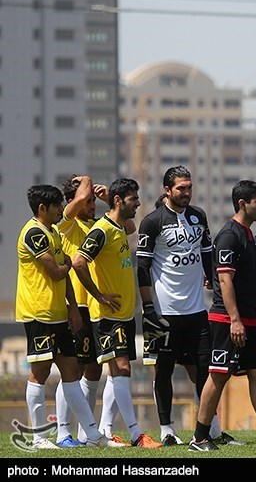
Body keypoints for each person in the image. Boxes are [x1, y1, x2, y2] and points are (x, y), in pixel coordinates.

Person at [136, 166, 242, 446]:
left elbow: (208, 254)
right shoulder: (152, 222)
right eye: (181, 188)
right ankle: (167, 430)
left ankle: (211, 429)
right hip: (165, 312)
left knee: (207, 371)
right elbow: (142, 268)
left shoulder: (199, 216)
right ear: (167, 190)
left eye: (189, 187)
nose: (186, 192)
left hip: (197, 311)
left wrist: (212, 281)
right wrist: (148, 308)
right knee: (164, 371)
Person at [16, 184, 126, 450]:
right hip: (38, 314)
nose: (60, 212)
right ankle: (39, 438)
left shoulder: (52, 231)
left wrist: (72, 307)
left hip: (58, 314)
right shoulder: (33, 233)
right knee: (40, 373)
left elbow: (63, 271)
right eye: (56, 207)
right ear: (43, 208)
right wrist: (68, 265)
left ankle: (93, 435)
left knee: (71, 372)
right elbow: (57, 271)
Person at [189, 180, 256, 451]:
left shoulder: (248, 234)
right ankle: (200, 437)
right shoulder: (230, 234)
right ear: (243, 204)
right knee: (218, 376)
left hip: (250, 319)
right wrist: (235, 320)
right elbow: (225, 281)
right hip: (227, 320)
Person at [70, 178, 162, 448]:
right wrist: (98, 295)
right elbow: (78, 262)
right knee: (121, 368)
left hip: (123, 314)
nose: (139, 203)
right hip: (107, 315)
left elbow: (129, 222)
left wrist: (110, 197)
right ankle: (136, 434)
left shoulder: (119, 226)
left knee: (117, 372)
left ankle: (102, 432)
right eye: (134, 198)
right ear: (121, 201)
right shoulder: (101, 230)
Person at [53, 175, 129, 447]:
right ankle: (63, 432)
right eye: (89, 201)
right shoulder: (66, 222)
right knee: (72, 369)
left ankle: (88, 432)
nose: (93, 205)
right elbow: (78, 201)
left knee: (93, 370)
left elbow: (129, 226)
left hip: (96, 308)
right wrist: (86, 180)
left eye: (96, 201)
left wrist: (110, 198)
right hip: (76, 306)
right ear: (74, 201)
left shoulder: (98, 224)